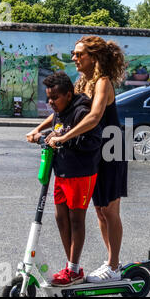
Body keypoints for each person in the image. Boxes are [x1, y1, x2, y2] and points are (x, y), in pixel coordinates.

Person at [44, 36, 127, 283]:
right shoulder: (82, 82)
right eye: (74, 53)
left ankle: (114, 265)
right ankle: (111, 262)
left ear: (94, 57)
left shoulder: (103, 82)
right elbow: (64, 112)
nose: (74, 58)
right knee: (99, 210)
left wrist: (64, 137)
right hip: (94, 150)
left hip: (112, 148)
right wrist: (39, 129)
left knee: (109, 209)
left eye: (79, 54)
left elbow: (93, 117)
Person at [26, 71, 102, 286]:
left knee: (76, 220)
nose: (51, 102)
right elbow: (59, 130)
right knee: (61, 218)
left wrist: (61, 141)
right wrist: (43, 134)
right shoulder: (60, 110)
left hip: (81, 173)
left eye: (54, 98)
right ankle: (71, 266)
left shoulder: (82, 110)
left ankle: (74, 269)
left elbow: (92, 141)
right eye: (48, 98)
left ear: (68, 95)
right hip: (62, 171)